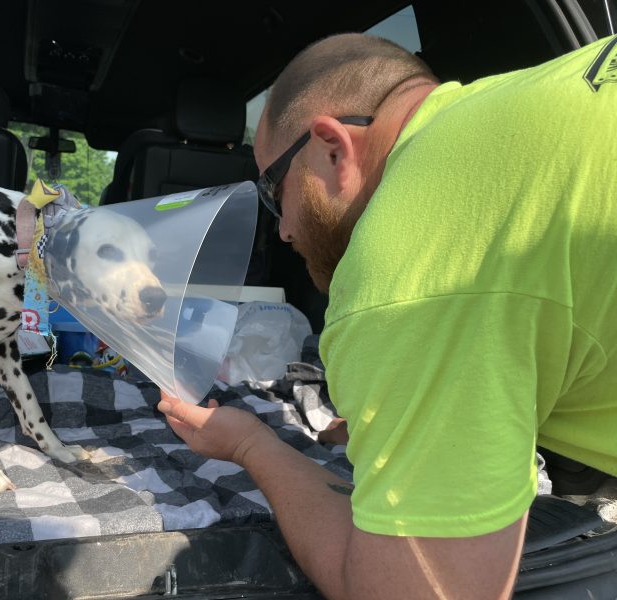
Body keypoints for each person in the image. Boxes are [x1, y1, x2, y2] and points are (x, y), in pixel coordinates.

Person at [158, 31, 617, 599]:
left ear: (331, 147)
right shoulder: (530, 103)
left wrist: (254, 446)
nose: (281, 228)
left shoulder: (407, 268)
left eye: (274, 191)